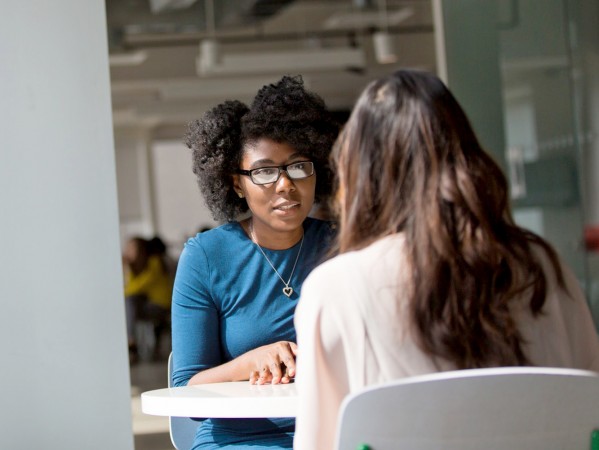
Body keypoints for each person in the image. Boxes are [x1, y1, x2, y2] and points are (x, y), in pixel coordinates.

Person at [293, 69, 599, 450]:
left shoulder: (336, 288)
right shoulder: (542, 267)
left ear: (362, 174)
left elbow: (317, 443)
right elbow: (590, 414)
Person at [172, 75, 339, 449]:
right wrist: (251, 362)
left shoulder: (342, 245)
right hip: (239, 440)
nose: (285, 184)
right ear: (236, 184)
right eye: (264, 171)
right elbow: (187, 391)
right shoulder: (206, 256)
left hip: (334, 432)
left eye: (298, 166)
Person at [123, 236, 174, 360]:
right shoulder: (136, 268)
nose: (128, 252)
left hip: (161, 306)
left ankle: (131, 341)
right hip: (149, 305)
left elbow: (136, 288)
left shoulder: (154, 262)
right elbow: (131, 288)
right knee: (130, 303)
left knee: (129, 302)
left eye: (131, 248)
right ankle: (131, 342)